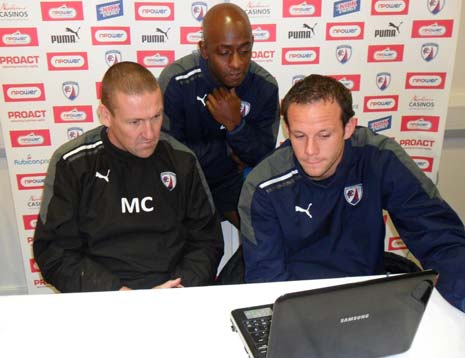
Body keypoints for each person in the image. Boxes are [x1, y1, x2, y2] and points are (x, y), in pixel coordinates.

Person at [238, 74, 465, 312]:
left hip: (367, 300)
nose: (310, 151)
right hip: (298, 305)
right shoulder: (263, 186)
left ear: (348, 128)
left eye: (324, 135)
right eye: (299, 136)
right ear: (287, 129)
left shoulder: (378, 158)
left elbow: (440, 238)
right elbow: (266, 283)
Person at [33, 61, 224, 292]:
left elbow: (207, 241)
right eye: (135, 122)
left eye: (156, 116)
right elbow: (54, 252)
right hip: (102, 299)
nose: (149, 133)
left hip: (173, 294)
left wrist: (177, 289)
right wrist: (117, 294)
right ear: (105, 115)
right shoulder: (73, 163)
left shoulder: (182, 160)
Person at [158, 3, 280, 229]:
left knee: (264, 236)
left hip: (233, 184)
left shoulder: (265, 86)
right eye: (224, 52)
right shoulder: (177, 82)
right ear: (204, 49)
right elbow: (167, 156)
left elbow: (263, 157)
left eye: (245, 51)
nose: (236, 63)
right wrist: (225, 151)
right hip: (185, 185)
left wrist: (237, 125)